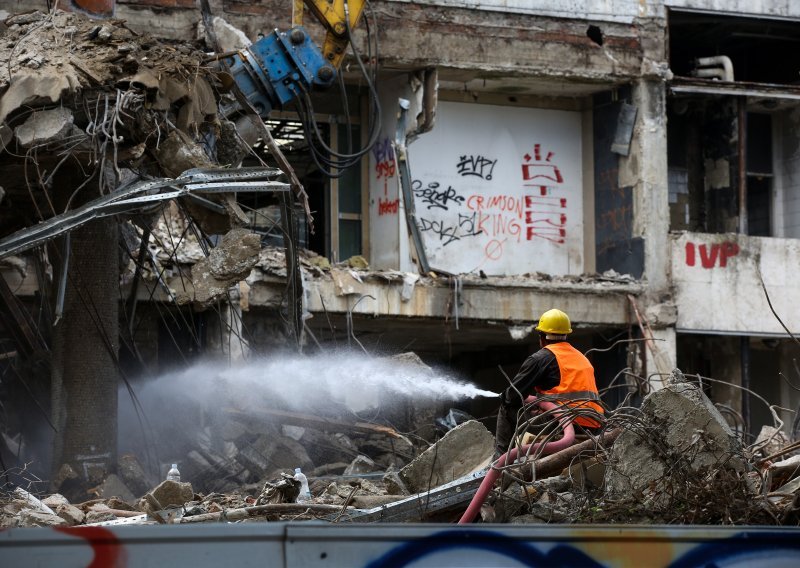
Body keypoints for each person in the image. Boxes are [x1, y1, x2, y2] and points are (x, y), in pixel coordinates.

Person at [495, 308, 604, 457]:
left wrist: (505, 396)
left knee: (507, 407)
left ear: (542, 336)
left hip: (562, 424)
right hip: (594, 424)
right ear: (566, 334)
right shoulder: (580, 356)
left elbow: (513, 396)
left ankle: (500, 462)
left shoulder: (540, 358)